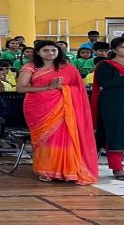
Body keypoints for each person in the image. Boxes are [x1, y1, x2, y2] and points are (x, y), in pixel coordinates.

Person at [17, 41, 97, 184]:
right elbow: (21, 88)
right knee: (46, 139)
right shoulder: (30, 67)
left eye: (53, 50)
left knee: (65, 137)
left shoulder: (67, 68)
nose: (50, 53)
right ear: (38, 52)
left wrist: (63, 88)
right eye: (46, 50)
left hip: (64, 106)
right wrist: (48, 87)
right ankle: (46, 170)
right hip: (38, 108)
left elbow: (78, 88)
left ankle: (67, 170)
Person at [91, 37, 124, 180]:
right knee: (115, 133)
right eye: (123, 47)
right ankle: (117, 167)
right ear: (115, 49)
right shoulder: (105, 65)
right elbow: (105, 82)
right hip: (113, 104)